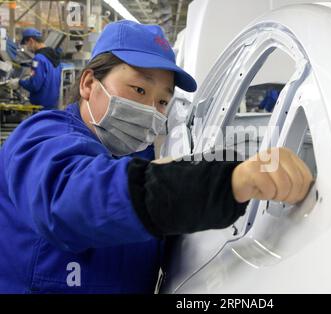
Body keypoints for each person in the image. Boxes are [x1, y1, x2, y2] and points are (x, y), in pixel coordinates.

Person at [0, 21, 313, 293]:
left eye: (163, 101)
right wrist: (228, 181)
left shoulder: (141, 160)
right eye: (138, 90)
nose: (151, 110)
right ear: (88, 84)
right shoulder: (42, 137)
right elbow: (69, 199)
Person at [7, 28, 62, 110]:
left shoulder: (38, 59)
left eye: (26, 44)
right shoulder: (54, 58)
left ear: (31, 41)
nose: (27, 48)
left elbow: (34, 85)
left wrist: (19, 82)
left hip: (40, 108)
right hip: (53, 106)